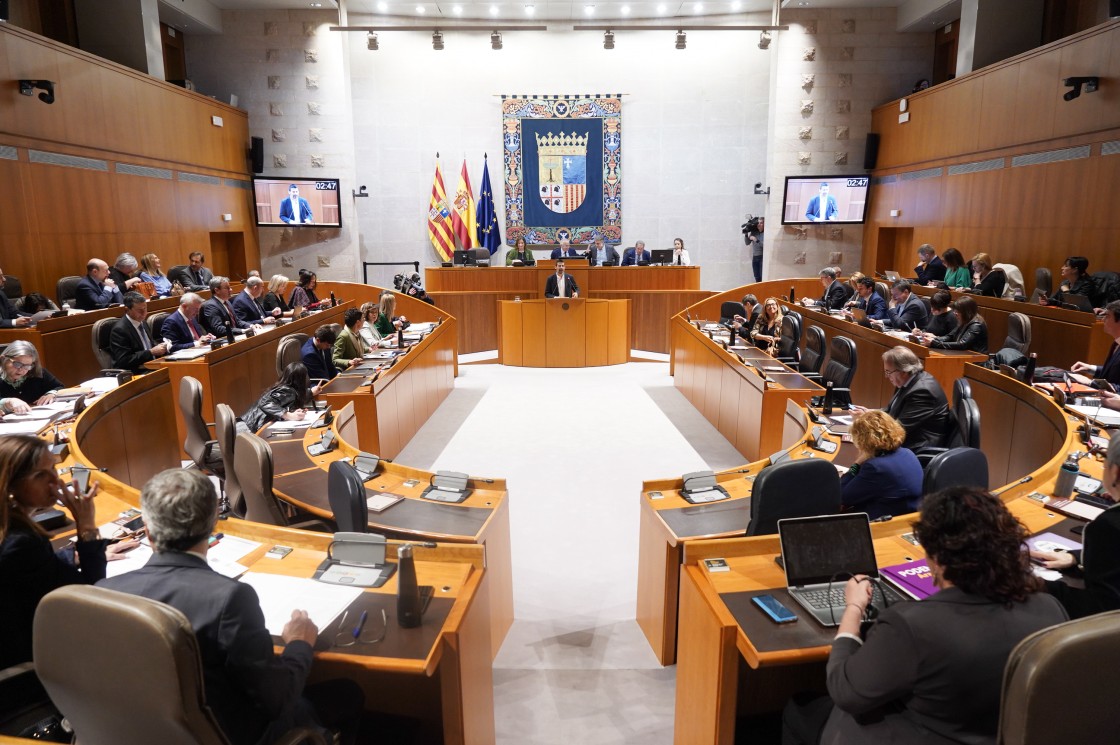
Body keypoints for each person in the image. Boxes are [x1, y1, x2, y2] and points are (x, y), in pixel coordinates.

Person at [784, 487, 1068, 745]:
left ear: (938, 558)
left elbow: (844, 691)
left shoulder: (913, 626)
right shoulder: (1049, 609)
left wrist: (854, 608)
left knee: (800, 710)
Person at [99, 469, 363, 745]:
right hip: (232, 735)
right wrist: (299, 643)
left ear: (148, 529)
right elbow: (277, 700)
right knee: (348, 693)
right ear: (213, 523)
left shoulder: (103, 593)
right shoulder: (229, 600)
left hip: (142, 734)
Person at [0, 435, 132, 669]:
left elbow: (32, 574)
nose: (56, 480)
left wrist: (72, 555)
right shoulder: (22, 542)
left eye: (53, 468)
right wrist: (87, 527)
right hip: (32, 665)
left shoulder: (11, 529)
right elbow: (91, 593)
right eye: (40, 475)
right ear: (10, 486)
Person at [1032, 433, 1120, 618]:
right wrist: (1078, 557)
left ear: (1116, 472)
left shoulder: (1109, 526)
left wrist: (1041, 586)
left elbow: (1102, 610)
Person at [839, 410, 924, 519]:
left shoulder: (876, 467)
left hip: (883, 525)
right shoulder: (907, 453)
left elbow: (843, 496)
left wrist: (858, 463)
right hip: (911, 517)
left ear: (863, 439)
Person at [873, 346, 953, 451]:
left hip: (916, 448)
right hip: (904, 439)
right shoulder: (908, 381)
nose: (886, 377)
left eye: (889, 372)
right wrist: (868, 413)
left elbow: (898, 430)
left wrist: (869, 424)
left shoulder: (923, 392)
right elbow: (890, 410)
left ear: (903, 371)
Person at [239, 362, 320, 433]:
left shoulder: (287, 389)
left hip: (247, 425)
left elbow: (292, 398)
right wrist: (289, 415)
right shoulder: (288, 391)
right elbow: (264, 402)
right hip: (247, 427)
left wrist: (311, 392)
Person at [109, 291, 168, 373]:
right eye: (139, 310)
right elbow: (123, 360)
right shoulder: (120, 330)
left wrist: (161, 347)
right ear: (127, 310)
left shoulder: (143, 322)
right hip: (135, 371)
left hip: (151, 365)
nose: (144, 313)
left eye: (145, 308)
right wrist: (151, 352)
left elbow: (147, 345)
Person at [0, 341, 63, 413]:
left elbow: (59, 387)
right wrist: (9, 401)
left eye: (27, 366)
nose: (21, 370)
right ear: (3, 359)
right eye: (17, 364)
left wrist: (51, 394)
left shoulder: (36, 372)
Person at [1069, 300, 1120, 387]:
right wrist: (1091, 368)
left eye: (1107, 316)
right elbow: (1113, 372)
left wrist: (1091, 383)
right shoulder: (1116, 342)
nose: (1103, 319)